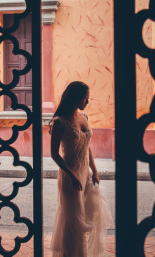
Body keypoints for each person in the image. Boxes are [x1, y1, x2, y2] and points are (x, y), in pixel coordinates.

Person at [49, 81, 112, 257]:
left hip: (84, 174)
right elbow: (54, 154)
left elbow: (87, 146)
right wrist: (72, 176)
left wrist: (95, 170)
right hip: (70, 178)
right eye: (85, 97)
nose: (87, 101)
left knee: (85, 216)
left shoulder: (84, 116)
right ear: (76, 98)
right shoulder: (59, 122)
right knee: (74, 221)